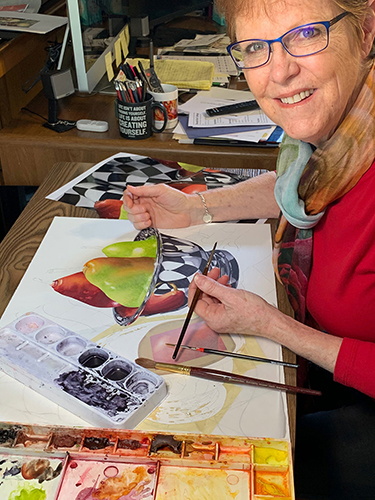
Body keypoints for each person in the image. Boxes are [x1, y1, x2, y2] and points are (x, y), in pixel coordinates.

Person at [123, 1, 375, 498]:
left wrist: (273, 325)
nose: (279, 71)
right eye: (257, 48)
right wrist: (197, 209)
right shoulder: (351, 129)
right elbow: (300, 184)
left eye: (306, 34)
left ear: (367, 30)